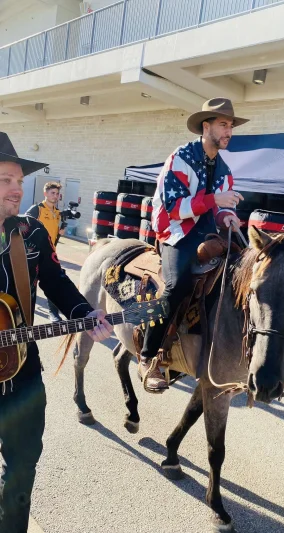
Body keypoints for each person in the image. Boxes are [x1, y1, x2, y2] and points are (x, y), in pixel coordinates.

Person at [0, 132, 113, 533]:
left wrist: (85, 313)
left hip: (22, 372)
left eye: (19, 180)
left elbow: (57, 283)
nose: (17, 189)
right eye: (6, 181)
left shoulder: (31, 232)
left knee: (23, 465)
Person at [138, 97, 249, 392]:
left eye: (231, 126)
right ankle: (149, 357)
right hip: (176, 231)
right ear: (206, 126)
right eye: (223, 125)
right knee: (177, 285)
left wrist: (229, 218)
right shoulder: (181, 158)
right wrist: (215, 201)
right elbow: (173, 207)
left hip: (208, 232)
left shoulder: (224, 169)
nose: (229, 131)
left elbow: (222, 208)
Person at [26, 181, 64, 322]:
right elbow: (24, 227)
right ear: (45, 194)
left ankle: (53, 314)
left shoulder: (57, 213)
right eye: (52, 193)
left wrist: (60, 233)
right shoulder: (37, 209)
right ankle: (24, 313)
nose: (55, 196)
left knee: (52, 283)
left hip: (50, 254)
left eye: (57, 193)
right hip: (33, 253)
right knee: (30, 285)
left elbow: (53, 236)